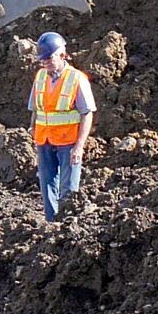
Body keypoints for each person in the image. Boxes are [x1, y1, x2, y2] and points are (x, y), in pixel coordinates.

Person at [27, 31, 95, 222]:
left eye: (49, 59)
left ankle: (67, 225)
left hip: (68, 142)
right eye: (43, 60)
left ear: (62, 55)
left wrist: (79, 146)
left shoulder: (76, 78)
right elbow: (36, 108)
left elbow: (87, 113)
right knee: (46, 183)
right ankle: (51, 223)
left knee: (68, 187)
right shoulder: (40, 76)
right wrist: (32, 128)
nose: (45, 63)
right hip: (44, 139)